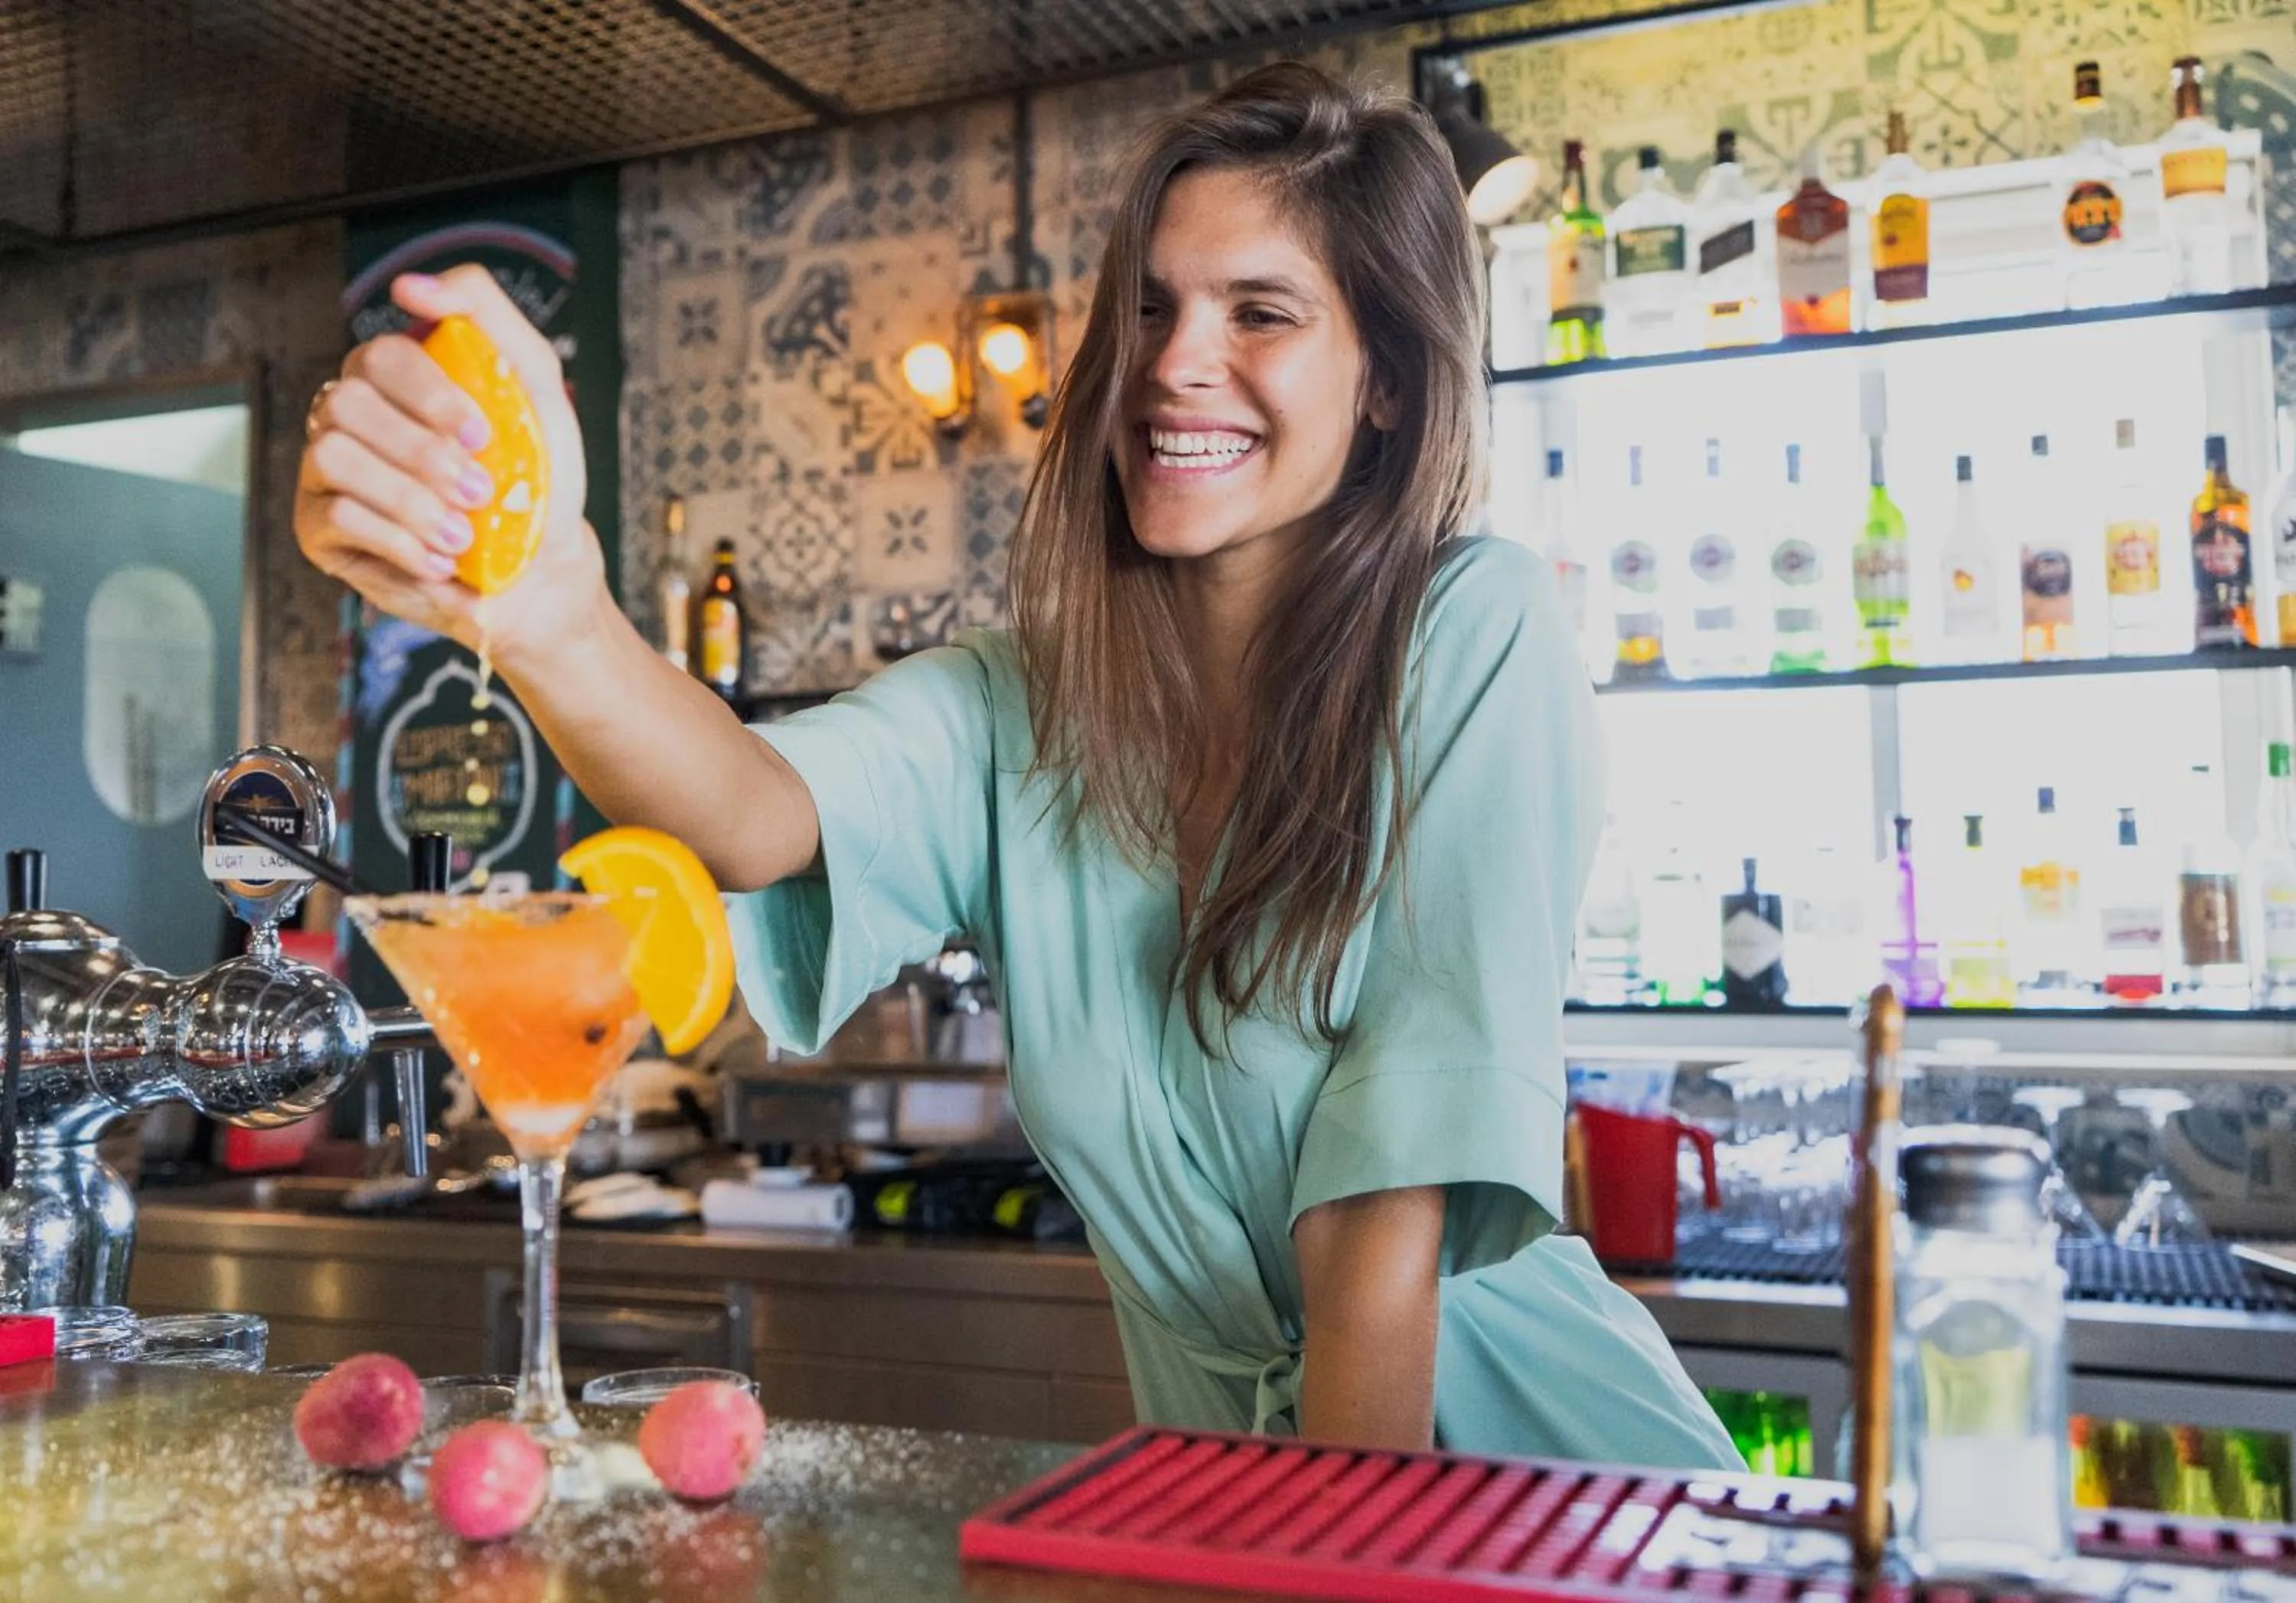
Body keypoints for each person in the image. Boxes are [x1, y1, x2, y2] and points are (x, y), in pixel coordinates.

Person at [295, 62, 1737, 1468]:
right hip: (1236, 1499)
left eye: (1263, 312)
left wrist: (1322, 1556)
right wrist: (550, 610)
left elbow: (1384, 1218)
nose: (1176, 360)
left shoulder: (1473, 628)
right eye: (1154, 305)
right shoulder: (1021, 711)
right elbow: (745, 809)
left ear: (1386, 385)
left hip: (1538, 1488)